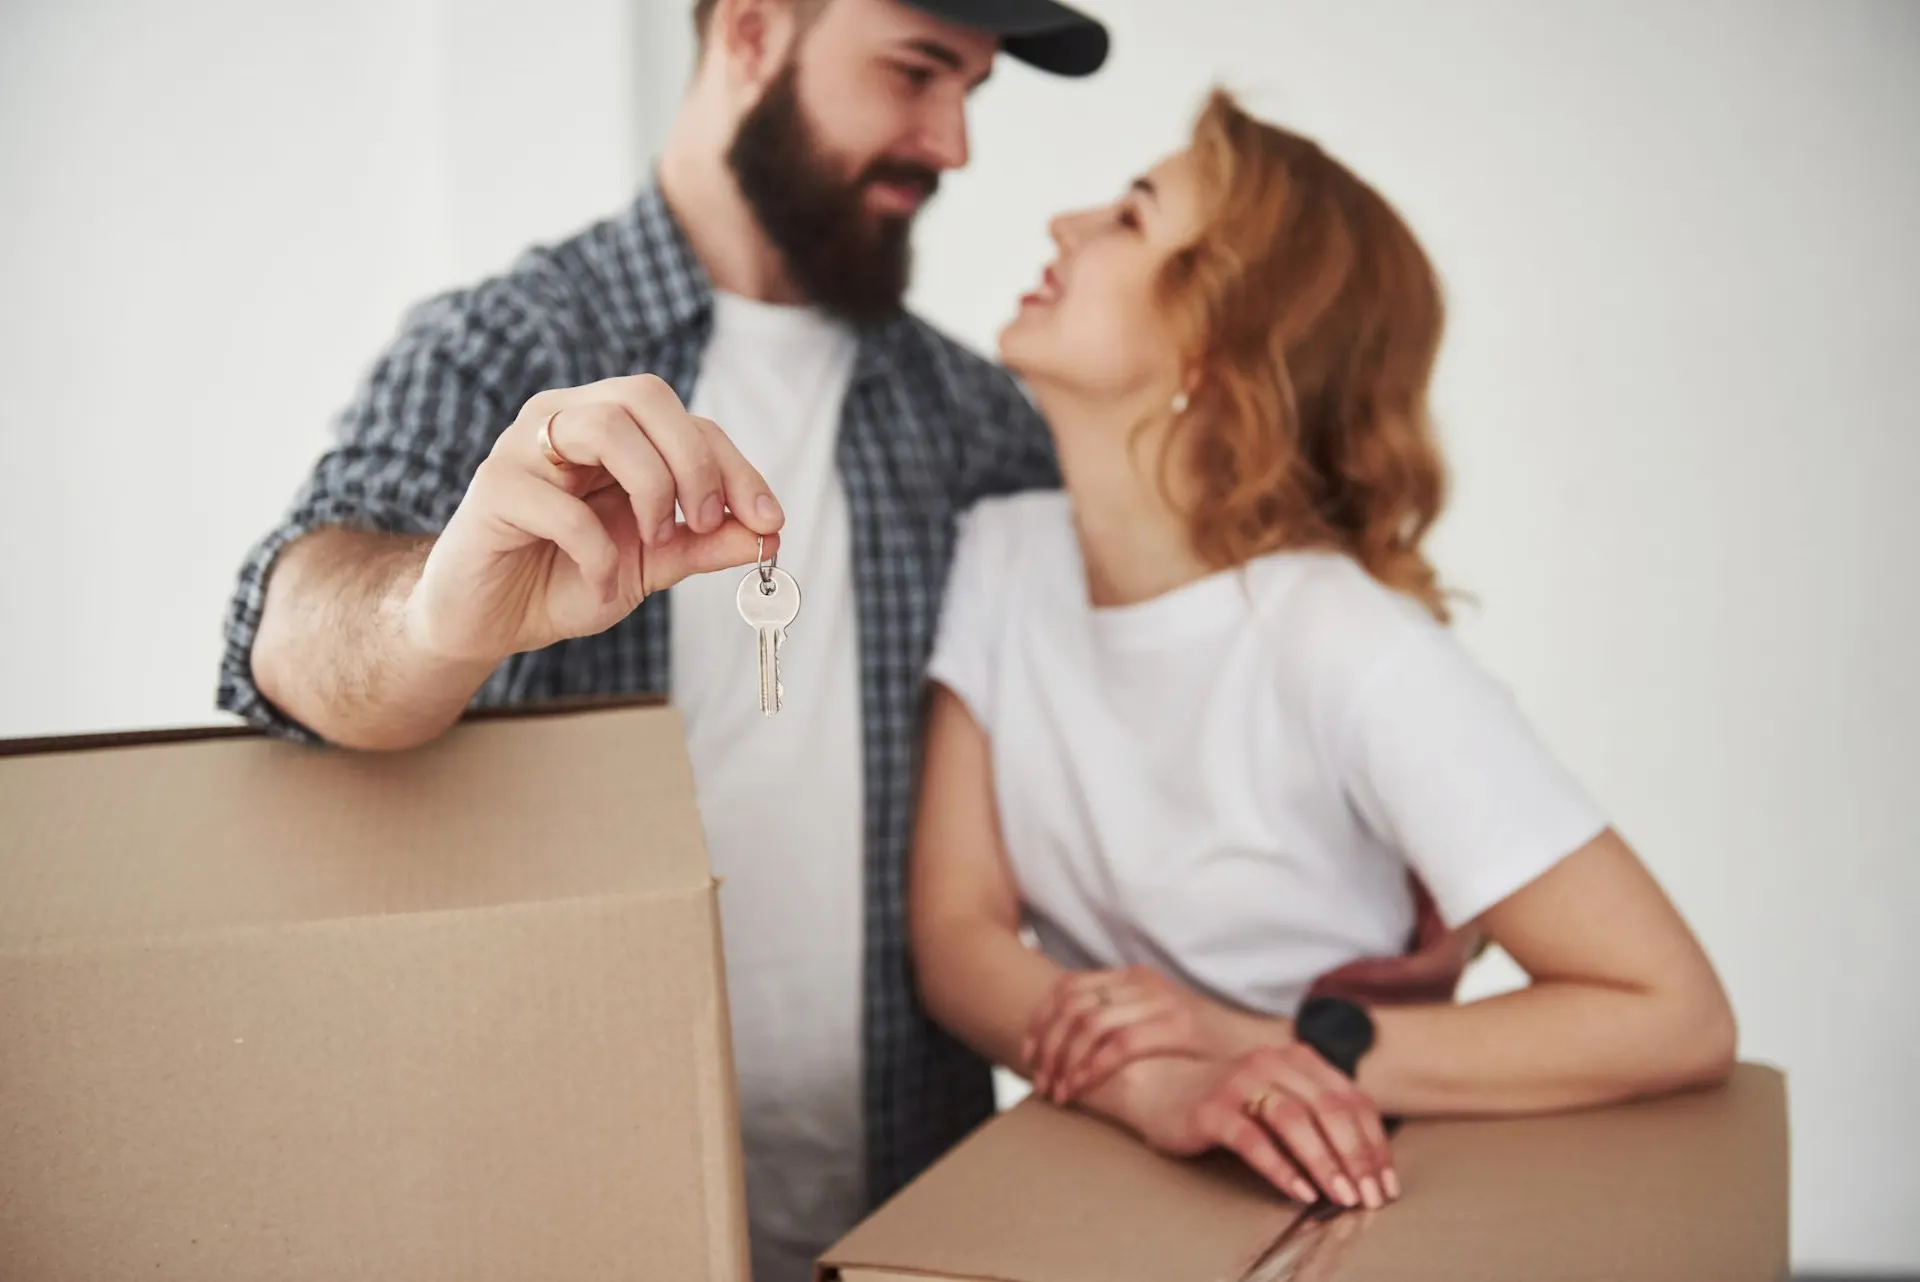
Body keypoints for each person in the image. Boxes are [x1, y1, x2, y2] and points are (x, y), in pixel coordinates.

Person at [217, 1, 1466, 1276]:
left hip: (914, 1197)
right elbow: (295, 627)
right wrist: (433, 612)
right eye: (917, 72)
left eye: (972, 89)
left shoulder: (982, 420)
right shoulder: (503, 351)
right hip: (566, 1192)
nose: (955, 143)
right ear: (754, 31)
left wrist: (1392, 877)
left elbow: (1181, 679)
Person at [908, 88, 1738, 1216]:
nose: (1064, 224)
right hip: (1125, 1164)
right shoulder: (1002, 555)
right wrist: (1164, 1084)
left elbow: (1674, 1009)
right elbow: (957, 933)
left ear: (1215, 339)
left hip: (1348, 1189)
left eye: (1131, 218)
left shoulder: (1346, 644)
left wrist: (1244, 1040)